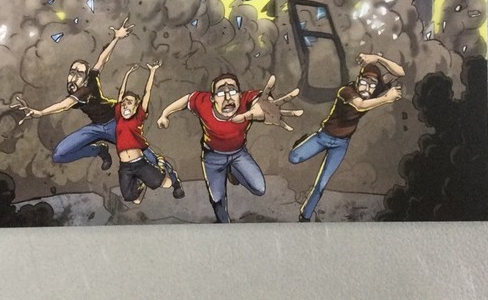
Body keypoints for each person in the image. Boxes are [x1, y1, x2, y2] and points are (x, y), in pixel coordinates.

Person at [157, 73, 300, 223]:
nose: (227, 98)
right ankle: (224, 225)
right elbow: (186, 99)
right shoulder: (202, 103)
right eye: (220, 93)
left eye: (232, 91)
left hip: (238, 154)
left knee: (259, 188)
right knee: (217, 199)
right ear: (212, 98)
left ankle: (231, 170)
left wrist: (264, 107)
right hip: (213, 157)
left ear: (239, 95)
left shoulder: (246, 101)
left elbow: (259, 101)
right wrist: (164, 114)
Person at [289, 51, 404, 222]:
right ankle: (304, 141)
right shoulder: (347, 91)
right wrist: (386, 99)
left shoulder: (374, 90)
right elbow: (360, 105)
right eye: (364, 82)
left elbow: (400, 72)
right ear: (358, 80)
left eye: (372, 84)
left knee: (321, 184)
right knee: (294, 158)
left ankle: (305, 217)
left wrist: (378, 59)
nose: (367, 87)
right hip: (324, 136)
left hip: (341, 144)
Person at [16, 17, 135, 169]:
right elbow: (101, 60)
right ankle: (99, 150)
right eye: (72, 73)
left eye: (79, 74)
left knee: (135, 151)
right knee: (59, 155)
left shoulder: (87, 87)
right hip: (96, 127)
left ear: (85, 79)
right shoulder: (79, 90)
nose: (73, 78)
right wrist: (40, 113)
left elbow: (65, 104)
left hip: (114, 122)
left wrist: (116, 39)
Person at [113, 61, 184, 203]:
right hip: (125, 165)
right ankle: (141, 181)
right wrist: (127, 74)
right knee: (131, 198)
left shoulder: (138, 117)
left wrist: (152, 72)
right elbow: (121, 93)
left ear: (136, 107)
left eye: (129, 103)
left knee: (164, 183)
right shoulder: (119, 117)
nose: (125, 105)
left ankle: (170, 177)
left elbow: (147, 93)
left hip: (140, 157)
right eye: (124, 103)